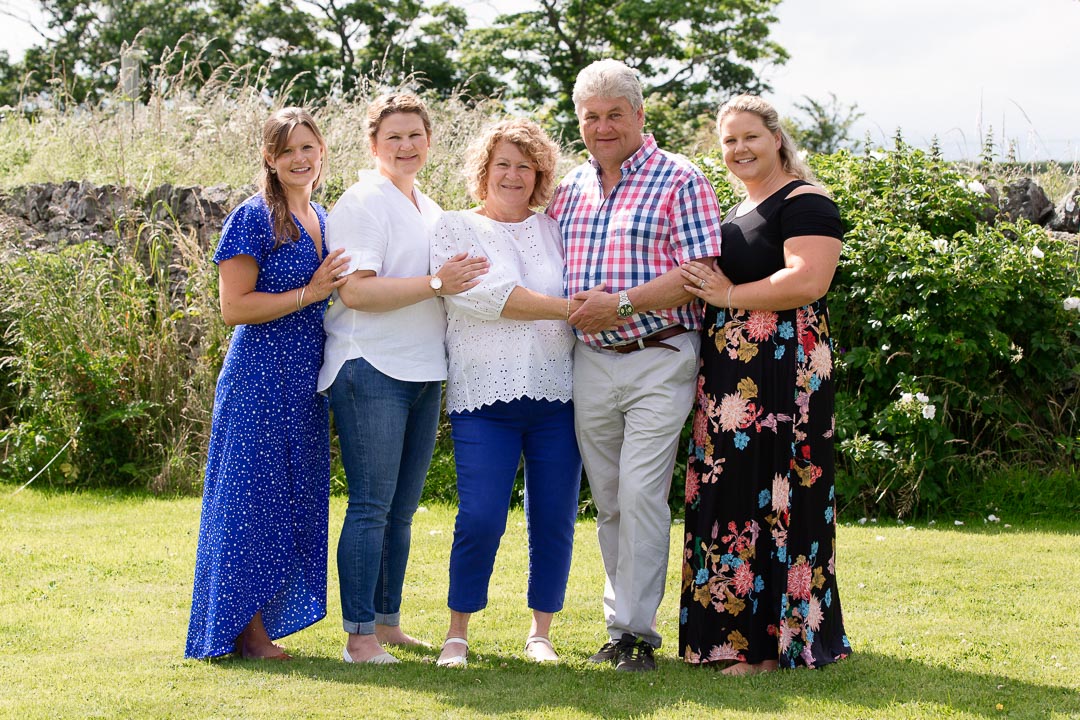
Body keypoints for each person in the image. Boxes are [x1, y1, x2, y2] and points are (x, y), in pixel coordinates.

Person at [546, 59, 724, 672]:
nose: (601, 126)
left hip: (660, 355)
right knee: (612, 498)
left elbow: (700, 275)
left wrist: (619, 305)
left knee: (644, 491)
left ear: (639, 115)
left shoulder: (681, 179)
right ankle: (619, 623)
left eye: (614, 114)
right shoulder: (569, 187)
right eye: (590, 116)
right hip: (590, 363)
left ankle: (635, 635)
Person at [678, 94, 852, 675]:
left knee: (778, 493)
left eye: (750, 136)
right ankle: (725, 636)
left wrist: (726, 295)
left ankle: (773, 648)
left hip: (784, 370)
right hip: (732, 373)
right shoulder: (735, 207)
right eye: (728, 141)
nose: (739, 149)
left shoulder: (805, 200)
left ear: (777, 138)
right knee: (730, 492)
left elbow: (807, 280)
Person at [317, 92, 488, 665]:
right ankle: (358, 636)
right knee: (371, 503)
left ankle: (386, 622)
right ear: (372, 145)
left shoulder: (429, 206)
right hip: (370, 365)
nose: (406, 145)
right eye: (393, 136)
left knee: (402, 508)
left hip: (423, 369)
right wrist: (438, 283)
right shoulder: (363, 202)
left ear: (429, 140)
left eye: (415, 134)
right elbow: (356, 290)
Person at [186, 107, 350, 660]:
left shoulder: (324, 217)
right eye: (287, 152)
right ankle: (247, 632)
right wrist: (312, 290)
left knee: (289, 501)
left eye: (308, 148)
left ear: (322, 151)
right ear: (269, 159)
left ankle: (262, 623)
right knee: (250, 501)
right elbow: (234, 307)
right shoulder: (254, 217)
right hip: (258, 377)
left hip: (306, 382)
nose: (300, 159)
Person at [429, 119, 583, 668]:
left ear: (539, 174)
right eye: (503, 164)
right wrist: (570, 308)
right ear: (484, 171)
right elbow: (480, 297)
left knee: (554, 515)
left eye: (525, 165)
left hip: (556, 396)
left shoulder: (554, 228)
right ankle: (457, 632)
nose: (513, 175)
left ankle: (541, 632)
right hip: (483, 399)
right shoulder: (455, 227)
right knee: (480, 516)